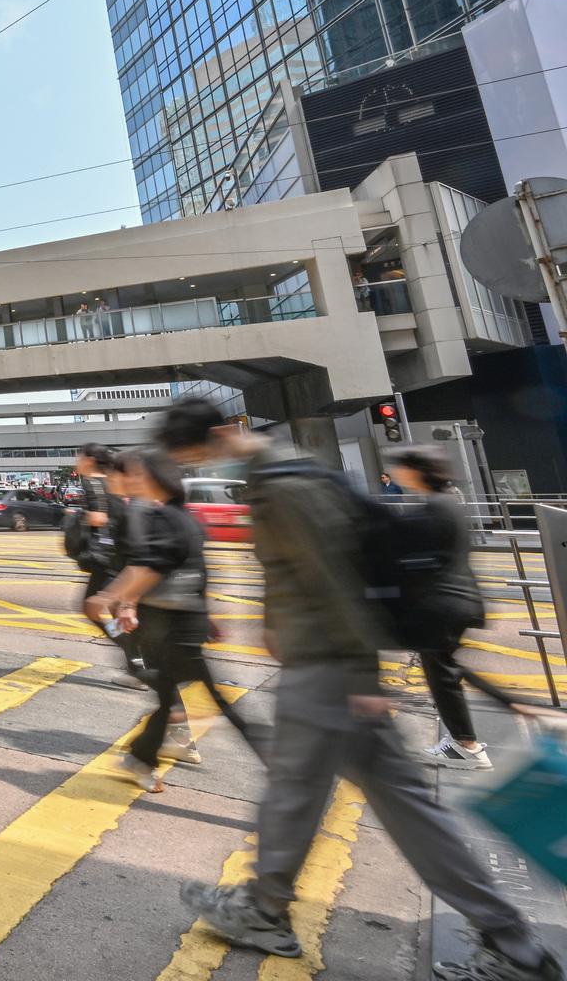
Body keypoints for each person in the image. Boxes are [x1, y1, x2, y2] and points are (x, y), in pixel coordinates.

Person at [161, 397, 562, 981]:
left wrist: (359, 677)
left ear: (224, 434)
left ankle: (507, 940)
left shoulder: (282, 487)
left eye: (203, 454)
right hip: (322, 666)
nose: (206, 467)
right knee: (333, 796)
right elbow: (301, 572)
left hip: (328, 671)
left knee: (333, 796)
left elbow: (336, 582)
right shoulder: (281, 474)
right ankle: (506, 938)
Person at [85, 450, 261, 792]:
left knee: (176, 693)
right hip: (164, 622)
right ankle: (151, 752)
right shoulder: (160, 514)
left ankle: (146, 754)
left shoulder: (156, 514)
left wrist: (115, 601)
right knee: (180, 692)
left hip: (171, 623)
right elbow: (155, 565)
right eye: (130, 475)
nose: (134, 480)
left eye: (138, 475)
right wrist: (125, 603)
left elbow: (157, 565)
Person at [384, 444, 494, 770]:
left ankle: (467, 746)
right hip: (454, 602)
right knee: (444, 672)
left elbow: (405, 557)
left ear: (417, 471)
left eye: (402, 467)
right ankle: (465, 743)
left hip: (440, 605)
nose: (398, 473)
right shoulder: (448, 503)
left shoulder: (432, 510)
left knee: (443, 675)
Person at [75, 443, 147, 690]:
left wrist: (73, 516)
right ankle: (137, 667)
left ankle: (138, 661)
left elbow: (98, 518)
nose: (77, 461)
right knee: (118, 611)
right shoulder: (112, 480)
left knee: (91, 608)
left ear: (90, 460)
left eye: (79, 457)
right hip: (120, 554)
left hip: (105, 557)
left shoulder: (93, 482)